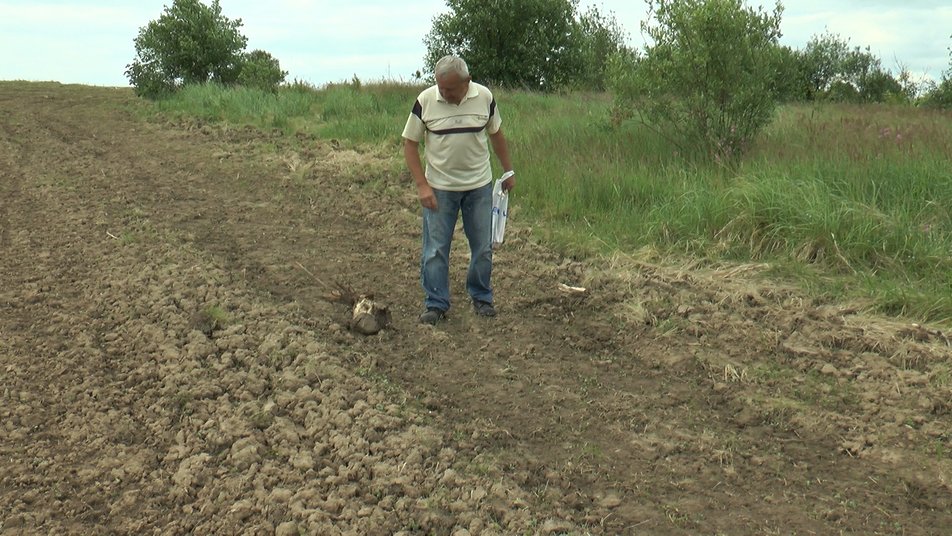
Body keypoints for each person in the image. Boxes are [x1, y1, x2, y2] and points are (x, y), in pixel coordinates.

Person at [402, 55, 515, 325]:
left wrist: (508, 170)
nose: (444, 93)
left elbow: (496, 134)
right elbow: (409, 144)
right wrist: (422, 185)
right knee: (435, 249)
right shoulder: (426, 101)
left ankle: (481, 297)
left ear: (467, 81)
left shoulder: (485, 98)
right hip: (439, 189)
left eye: (450, 89)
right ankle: (436, 303)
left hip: (479, 186)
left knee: (482, 248)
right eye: (440, 87)